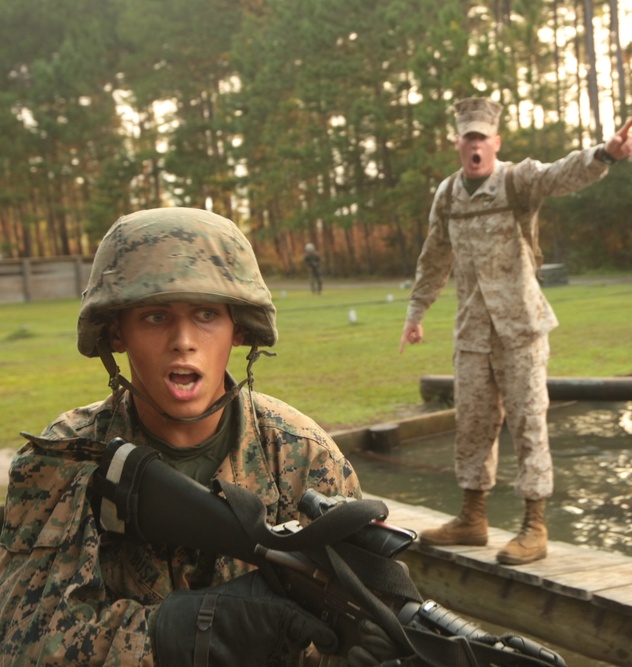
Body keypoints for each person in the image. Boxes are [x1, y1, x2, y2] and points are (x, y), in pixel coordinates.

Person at [0, 208, 368, 665]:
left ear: (239, 330)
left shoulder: (304, 457)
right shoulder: (66, 462)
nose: (183, 340)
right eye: (156, 317)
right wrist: (177, 632)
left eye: (207, 314)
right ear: (117, 333)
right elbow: (23, 640)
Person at [398, 97, 632, 565]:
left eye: (483, 138)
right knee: (471, 426)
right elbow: (434, 257)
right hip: (472, 332)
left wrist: (605, 154)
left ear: (496, 142)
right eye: (468, 138)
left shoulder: (517, 180)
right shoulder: (447, 195)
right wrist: (415, 312)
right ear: (457, 143)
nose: (475, 145)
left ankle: (535, 525)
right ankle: (472, 518)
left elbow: (561, 174)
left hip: (522, 329)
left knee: (528, 424)